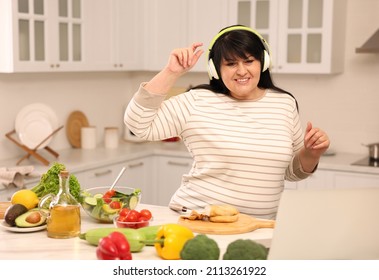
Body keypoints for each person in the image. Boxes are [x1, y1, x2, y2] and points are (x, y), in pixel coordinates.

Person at [124, 25, 330, 219]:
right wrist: (171, 72)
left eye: (249, 61)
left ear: (264, 62)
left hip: (260, 227)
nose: (241, 71)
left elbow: (290, 173)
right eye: (231, 63)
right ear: (216, 69)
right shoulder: (197, 100)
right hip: (198, 220)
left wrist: (311, 153)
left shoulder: (284, 104)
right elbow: (138, 125)